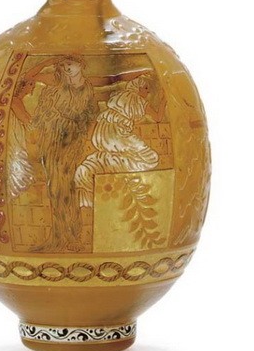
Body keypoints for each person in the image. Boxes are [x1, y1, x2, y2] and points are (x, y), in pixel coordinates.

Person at [25, 55, 148, 252]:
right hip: (53, 141)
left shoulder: (89, 85)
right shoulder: (56, 81)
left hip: (74, 141)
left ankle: (73, 236)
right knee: (55, 188)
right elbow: (29, 77)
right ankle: (59, 237)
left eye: (70, 63)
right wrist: (48, 62)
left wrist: (142, 72)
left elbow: (114, 79)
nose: (66, 68)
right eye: (63, 64)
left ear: (81, 65)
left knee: (70, 187)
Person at [75, 77, 167, 207]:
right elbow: (157, 117)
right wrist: (164, 100)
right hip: (118, 133)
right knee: (150, 157)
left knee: (115, 154)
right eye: (146, 88)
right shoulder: (139, 101)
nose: (148, 92)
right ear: (138, 88)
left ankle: (110, 166)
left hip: (103, 130)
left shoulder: (120, 96)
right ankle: (119, 169)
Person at [7, 76, 35, 199]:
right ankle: (15, 196)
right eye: (31, 84)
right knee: (19, 161)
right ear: (23, 86)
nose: (33, 87)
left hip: (18, 135)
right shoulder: (14, 101)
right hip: (14, 137)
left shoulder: (17, 101)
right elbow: (25, 119)